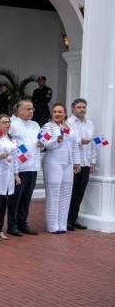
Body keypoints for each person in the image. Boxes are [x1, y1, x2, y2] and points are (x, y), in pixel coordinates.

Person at [41, 103, 81, 234]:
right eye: (55, 112)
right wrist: (57, 140)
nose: (57, 114)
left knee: (66, 194)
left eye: (60, 111)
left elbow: (74, 145)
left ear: (65, 113)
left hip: (68, 163)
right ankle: (53, 226)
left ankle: (62, 225)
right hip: (53, 162)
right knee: (53, 194)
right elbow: (45, 145)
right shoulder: (47, 127)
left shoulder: (69, 127)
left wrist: (77, 162)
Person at [7, 100, 41, 235]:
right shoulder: (13, 125)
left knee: (27, 197)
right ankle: (12, 225)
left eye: (32, 109)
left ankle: (23, 223)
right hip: (19, 167)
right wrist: (22, 151)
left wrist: (41, 144)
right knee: (16, 198)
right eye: (27, 109)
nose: (31, 111)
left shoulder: (36, 125)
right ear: (18, 110)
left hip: (33, 165)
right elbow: (11, 143)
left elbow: (40, 140)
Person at [67, 98, 95, 231]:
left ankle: (74, 219)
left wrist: (93, 162)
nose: (82, 109)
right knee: (70, 193)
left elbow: (93, 143)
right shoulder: (68, 123)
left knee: (79, 193)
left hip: (85, 163)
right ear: (73, 109)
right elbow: (67, 141)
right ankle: (66, 221)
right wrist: (80, 141)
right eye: (79, 107)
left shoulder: (89, 123)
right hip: (73, 163)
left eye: (84, 107)